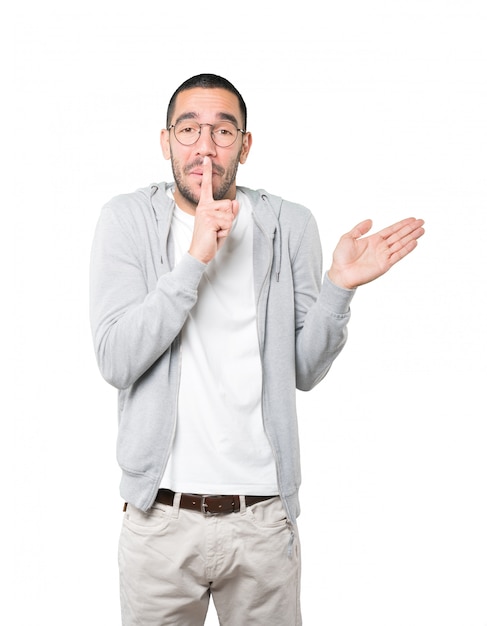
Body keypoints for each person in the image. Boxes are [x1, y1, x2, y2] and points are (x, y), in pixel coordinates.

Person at [89, 73, 425, 625]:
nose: (204, 144)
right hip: (160, 523)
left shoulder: (289, 225)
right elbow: (116, 360)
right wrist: (192, 261)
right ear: (165, 141)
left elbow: (305, 370)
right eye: (188, 128)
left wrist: (339, 288)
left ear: (245, 145)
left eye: (223, 131)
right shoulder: (126, 220)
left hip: (263, 521)